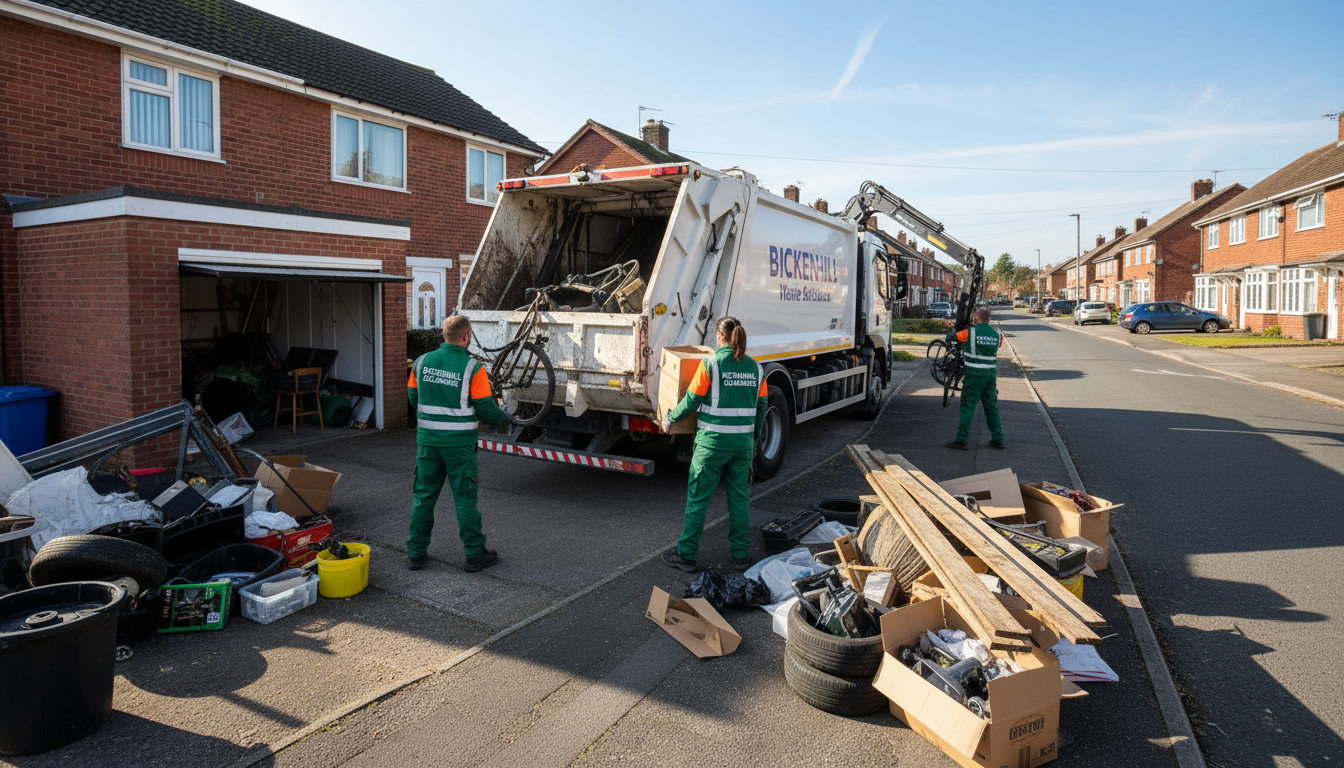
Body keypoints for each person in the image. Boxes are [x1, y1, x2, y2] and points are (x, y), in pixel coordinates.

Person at [661, 317, 768, 573]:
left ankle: (686, 555)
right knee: (739, 500)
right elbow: (761, 406)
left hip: (712, 445)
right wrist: (752, 437)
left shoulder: (710, 364)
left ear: (720, 336)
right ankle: (741, 556)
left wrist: (670, 418)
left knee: (698, 499)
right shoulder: (756, 368)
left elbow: (691, 400)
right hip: (741, 447)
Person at [406, 315, 510, 572]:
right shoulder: (472, 368)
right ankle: (474, 554)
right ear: (466, 337)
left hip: (428, 443)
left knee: (423, 497)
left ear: (444, 335)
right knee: (464, 499)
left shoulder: (421, 362)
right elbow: (486, 407)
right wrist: (505, 419)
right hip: (460, 446)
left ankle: (416, 554)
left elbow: (412, 396)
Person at [946, 307, 1004, 450]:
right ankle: (998, 438)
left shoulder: (969, 333)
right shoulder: (997, 336)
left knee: (967, 407)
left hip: (974, 377)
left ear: (977, 318)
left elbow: (951, 337)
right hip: (990, 377)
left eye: (975, 317)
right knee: (991, 408)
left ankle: (961, 439)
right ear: (989, 319)